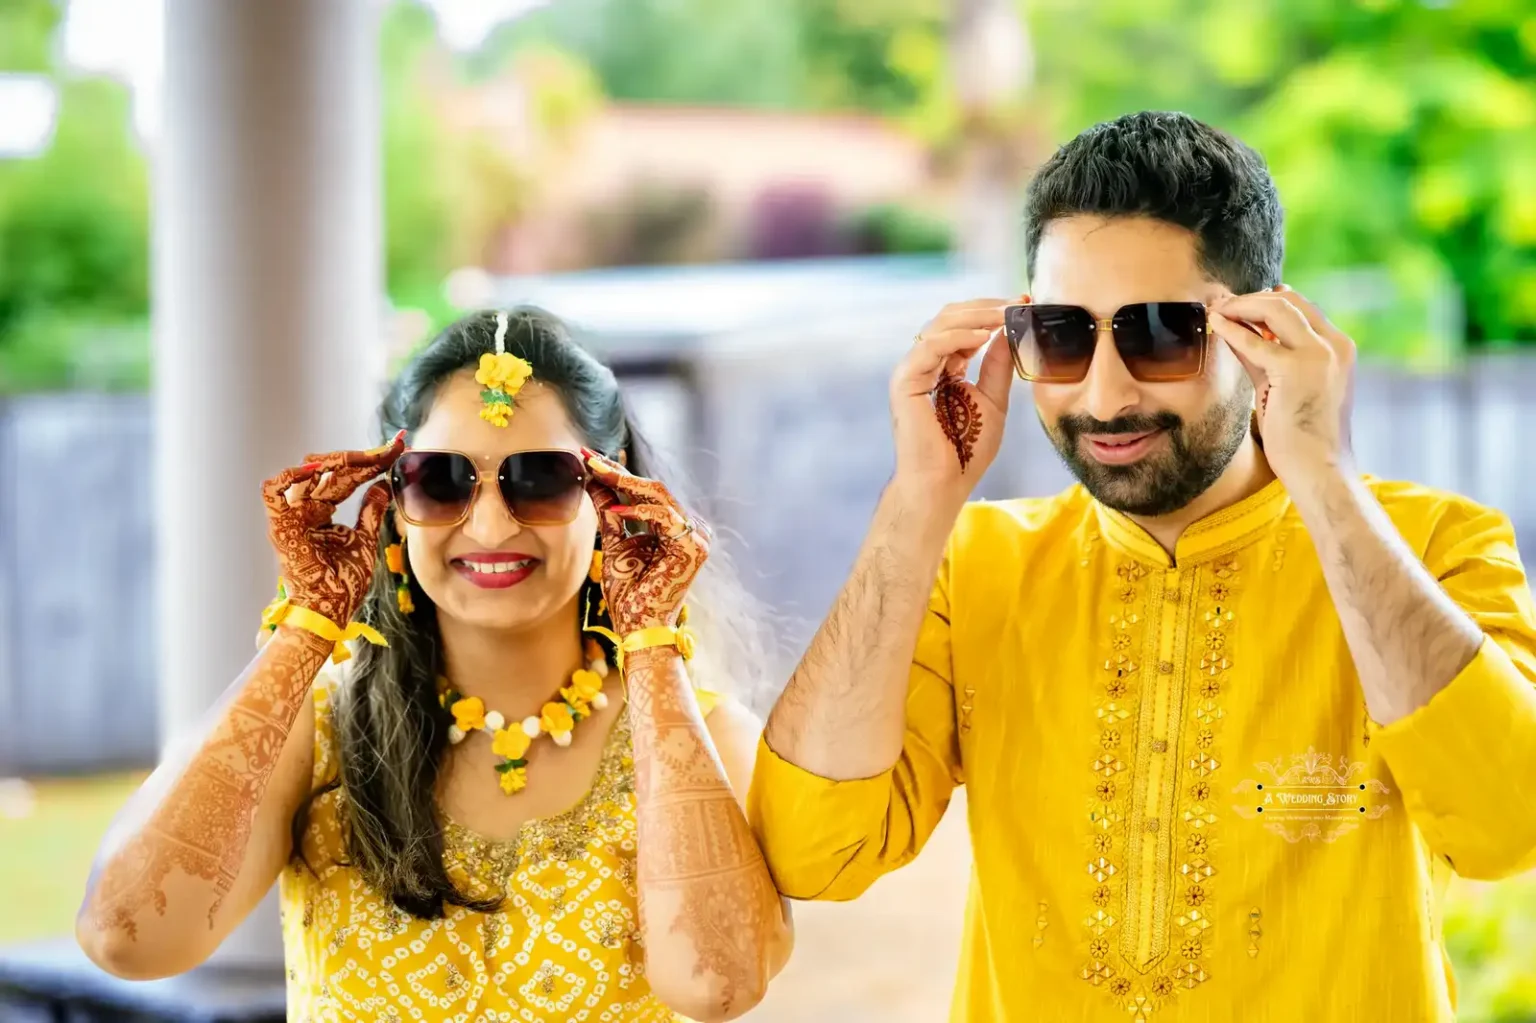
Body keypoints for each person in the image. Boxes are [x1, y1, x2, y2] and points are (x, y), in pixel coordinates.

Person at [747, 111, 1536, 1022]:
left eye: (1160, 333)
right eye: (1062, 335)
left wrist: (1322, 475)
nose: (1106, 392)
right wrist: (917, 500)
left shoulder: (1435, 547)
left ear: (1263, 327)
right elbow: (812, 848)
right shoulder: (976, 565)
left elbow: (1510, 824)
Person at [77, 308, 792, 1022]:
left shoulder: (705, 741)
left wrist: (651, 643)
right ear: (391, 504)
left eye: (541, 479)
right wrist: (306, 624)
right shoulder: (318, 728)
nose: (489, 524)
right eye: (442, 479)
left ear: (616, 500)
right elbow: (127, 936)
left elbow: (717, 983)